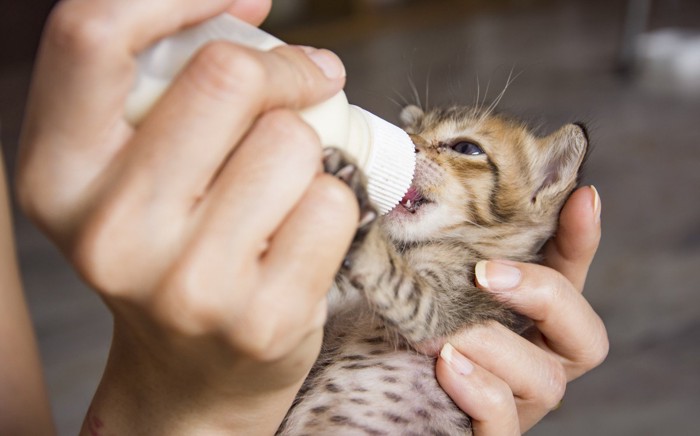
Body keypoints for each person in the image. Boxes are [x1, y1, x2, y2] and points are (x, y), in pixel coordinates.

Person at [3, 0, 608, 434]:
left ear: (544, 187)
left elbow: (418, 312)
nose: (419, 151)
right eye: (416, 136)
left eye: (464, 149)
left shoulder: (475, 281)